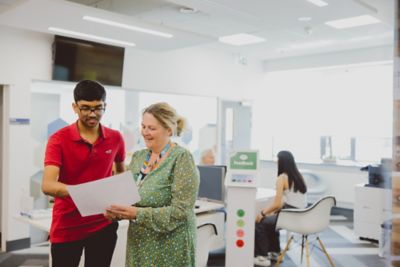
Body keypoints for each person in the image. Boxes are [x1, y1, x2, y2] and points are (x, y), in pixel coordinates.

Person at [41, 80, 126, 267]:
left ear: (105, 106)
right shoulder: (58, 140)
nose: (92, 114)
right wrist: (85, 192)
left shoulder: (115, 138)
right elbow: (47, 185)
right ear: (74, 107)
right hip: (68, 226)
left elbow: (121, 175)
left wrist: (122, 203)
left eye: (98, 108)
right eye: (85, 108)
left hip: (103, 224)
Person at [105, 102, 199, 267]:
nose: (145, 132)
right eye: (143, 126)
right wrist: (117, 212)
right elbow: (130, 198)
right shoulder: (138, 157)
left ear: (169, 130)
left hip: (170, 245)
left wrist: (136, 214)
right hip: (140, 242)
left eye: (152, 128)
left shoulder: (181, 158)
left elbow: (181, 211)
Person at [254, 150, 307, 266]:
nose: (276, 162)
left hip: (289, 215)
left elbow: (277, 203)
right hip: (301, 215)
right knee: (271, 221)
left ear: (282, 162)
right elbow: (287, 202)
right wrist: (269, 213)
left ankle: (262, 257)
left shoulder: (282, 178)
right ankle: (275, 252)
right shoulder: (299, 176)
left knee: (260, 222)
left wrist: (262, 213)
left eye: (277, 160)